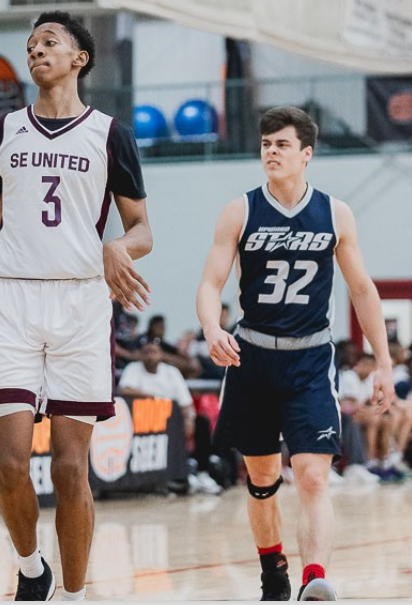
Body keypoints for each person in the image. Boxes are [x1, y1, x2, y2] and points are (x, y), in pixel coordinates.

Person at [0, 10, 152, 601]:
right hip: (12, 298)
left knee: (69, 468)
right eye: (31, 44)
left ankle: (75, 593)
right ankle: (31, 566)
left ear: (79, 59)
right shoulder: (4, 130)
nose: (35, 51)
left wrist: (117, 247)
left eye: (49, 42)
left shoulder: (110, 134)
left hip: (81, 301)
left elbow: (142, 229)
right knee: (11, 463)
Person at [196, 106, 394, 601]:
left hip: (310, 360)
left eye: (282, 145)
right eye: (266, 144)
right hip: (252, 357)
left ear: (307, 154)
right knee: (263, 479)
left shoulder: (334, 213)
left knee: (311, 476)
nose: (271, 152)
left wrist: (384, 361)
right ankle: (274, 573)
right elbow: (211, 282)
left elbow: (362, 289)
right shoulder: (240, 210)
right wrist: (211, 327)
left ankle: (315, 578)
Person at [118, 339, 221, 495]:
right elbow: (125, 390)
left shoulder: (171, 372)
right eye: (146, 352)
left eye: (154, 352)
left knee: (201, 423)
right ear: (140, 355)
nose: (150, 356)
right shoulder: (133, 369)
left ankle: (202, 472)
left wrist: (189, 419)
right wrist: (155, 398)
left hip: (170, 419)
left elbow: (186, 402)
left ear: (161, 354)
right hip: (142, 421)